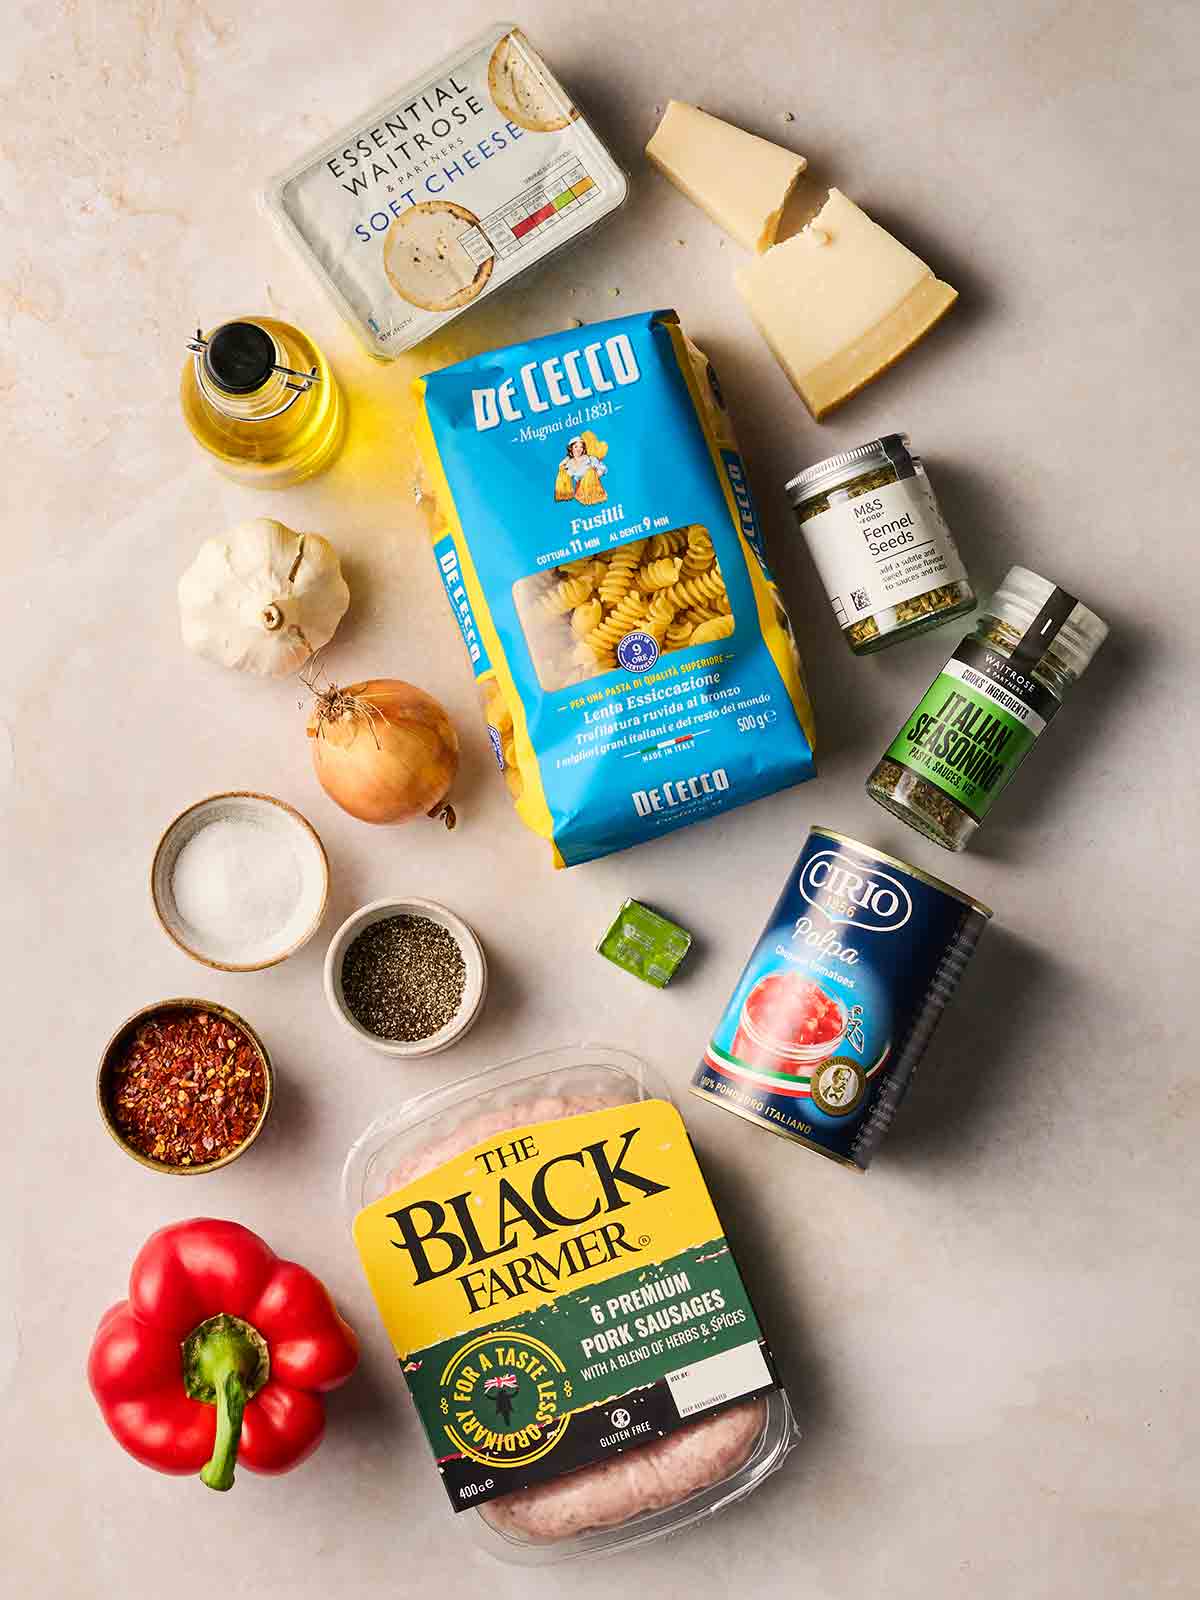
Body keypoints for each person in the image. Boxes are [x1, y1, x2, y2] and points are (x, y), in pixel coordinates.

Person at [556, 435, 607, 504]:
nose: (578, 449)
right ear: (571, 448)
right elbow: (564, 473)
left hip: (594, 492)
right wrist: (566, 459)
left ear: (583, 449)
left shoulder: (589, 459)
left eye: (581, 447)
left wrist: (594, 475)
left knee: (590, 472)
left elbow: (603, 468)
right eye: (576, 446)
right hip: (580, 495)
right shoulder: (570, 463)